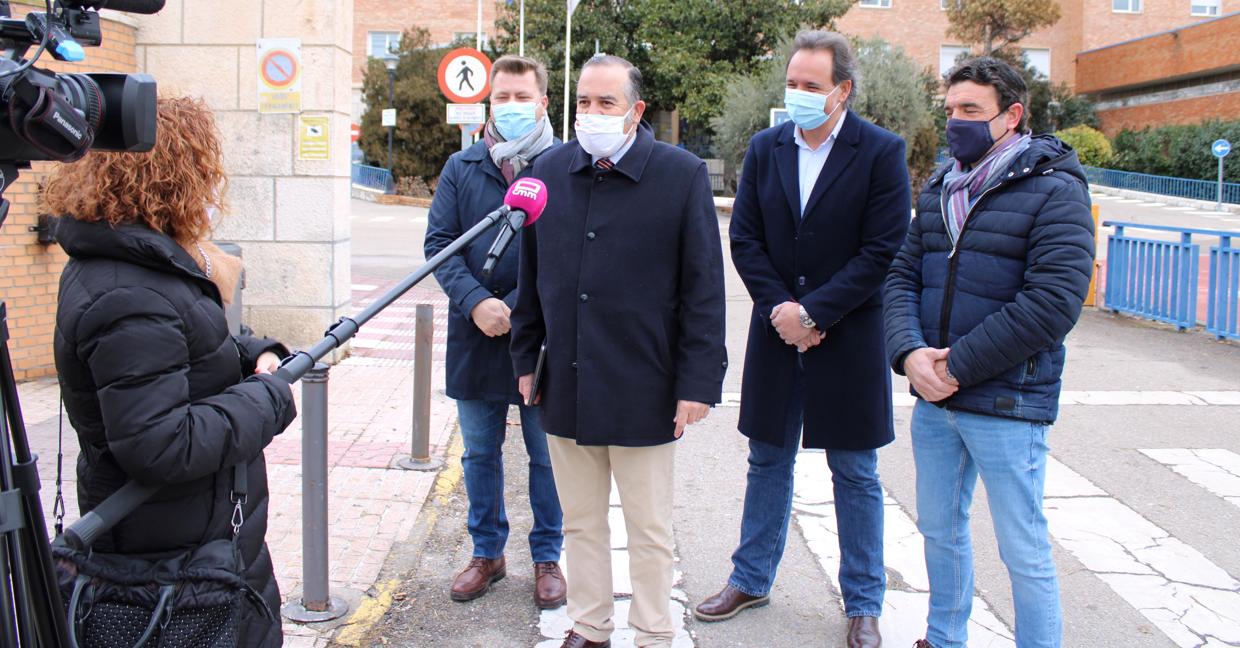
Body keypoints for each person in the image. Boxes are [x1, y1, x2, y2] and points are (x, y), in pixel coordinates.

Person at [47, 96, 298, 648]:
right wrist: (269, 396)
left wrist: (255, 350)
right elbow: (162, 443)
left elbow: (186, 346)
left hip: (196, 535)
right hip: (173, 560)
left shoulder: (142, 264)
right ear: (176, 173)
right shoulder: (128, 291)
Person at [693, 31, 910, 648]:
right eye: (792, 83)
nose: (798, 95)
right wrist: (784, 309)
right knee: (767, 459)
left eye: (811, 87)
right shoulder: (765, 148)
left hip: (845, 333)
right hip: (777, 330)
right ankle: (751, 577)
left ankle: (864, 602)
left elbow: (882, 249)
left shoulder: (880, 152)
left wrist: (816, 313)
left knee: (855, 471)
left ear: (842, 90)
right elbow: (747, 239)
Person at [510, 55, 727, 648]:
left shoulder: (679, 176)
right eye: (583, 102)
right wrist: (525, 360)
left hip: (646, 383)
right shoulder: (546, 172)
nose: (591, 113)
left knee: (648, 527)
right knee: (580, 522)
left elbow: (704, 289)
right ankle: (590, 624)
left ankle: (655, 632)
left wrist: (698, 383)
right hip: (568, 380)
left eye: (606, 103)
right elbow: (530, 282)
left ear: (636, 110)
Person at [884, 56, 1095, 648]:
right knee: (940, 531)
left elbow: (1053, 303)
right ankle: (944, 637)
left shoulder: (1055, 189)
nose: (956, 123)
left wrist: (955, 364)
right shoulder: (940, 186)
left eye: (971, 111)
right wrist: (909, 355)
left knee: (1021, 545)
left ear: (1012, 116)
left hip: (1008, 398)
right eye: (950, 110)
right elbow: (902, 277)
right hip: (935, 398)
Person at [424, 54, 566, 608]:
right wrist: (477, 302)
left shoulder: (562, 167)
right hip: (474, 335)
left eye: (520, 96)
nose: (510, 107)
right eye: (501, 97)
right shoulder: (462, 167)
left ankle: (547, 556)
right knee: (479, 454)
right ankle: (487, 552)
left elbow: (567, 254)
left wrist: (514, 306)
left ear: (543, 101)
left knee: (546, 455)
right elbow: (440, 247)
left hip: (540, 338)